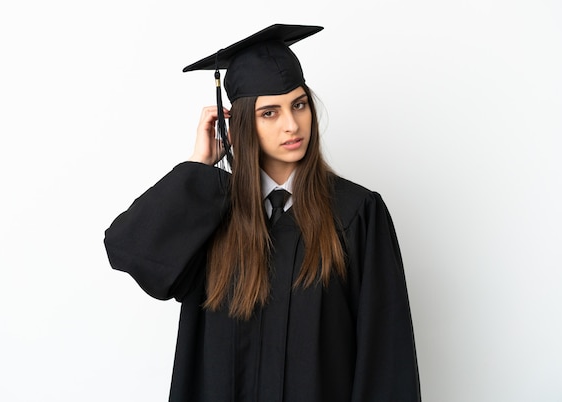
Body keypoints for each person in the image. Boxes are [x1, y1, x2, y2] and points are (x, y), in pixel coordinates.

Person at [104, 24, 421, 402]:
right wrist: (198, 167)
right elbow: (128, 249)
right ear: (237, 125)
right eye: (269, 112)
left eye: (299, 105)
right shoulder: (209, 215)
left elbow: (385, 361)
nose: (292, 124)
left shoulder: (356, 215)